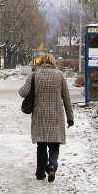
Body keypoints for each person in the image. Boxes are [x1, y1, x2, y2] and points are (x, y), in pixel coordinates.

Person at [18, 53, 74, 182]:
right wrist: (70, 117)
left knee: (41, 145)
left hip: (40, 115)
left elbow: (22, 92)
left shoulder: (34, 76)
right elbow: (66, 98)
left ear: (40, 62)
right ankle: (52, 166)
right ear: (53, 63)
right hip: (56, 116)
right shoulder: (59, 75)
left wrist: (31, 87)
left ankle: (40, 173)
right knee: (54, 144)